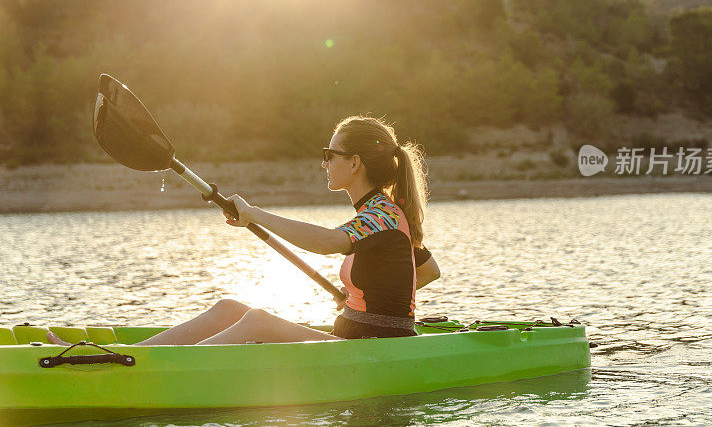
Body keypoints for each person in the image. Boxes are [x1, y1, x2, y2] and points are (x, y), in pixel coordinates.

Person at [47, 116, 439, 346]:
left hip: (375, 349)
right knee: (229, 309)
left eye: (328, 155)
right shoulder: (384, 214)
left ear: (353, 163)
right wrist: (361, 299)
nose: (323, 163)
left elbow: (326, 243)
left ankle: (131, 371)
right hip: (358, 338)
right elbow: (427, 272)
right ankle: (124, 358)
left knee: (258, 320)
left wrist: (254, 214)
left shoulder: (382, 214)